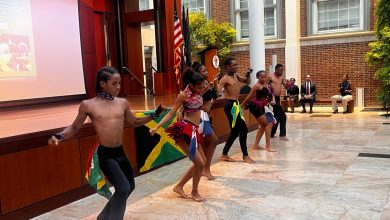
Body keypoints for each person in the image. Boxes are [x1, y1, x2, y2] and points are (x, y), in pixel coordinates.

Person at [48, 66, 164, 220]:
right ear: (102, 84)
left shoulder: (122, 103)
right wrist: (60, 135)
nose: (118, 87)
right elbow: (75, 126)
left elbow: (134, 121)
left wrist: (154, 114)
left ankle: (103, 217)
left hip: (120, 152)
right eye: (114, 83)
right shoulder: (88, 105)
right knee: (122, 188)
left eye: (119, 83)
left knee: (129, 186)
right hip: (106, 155)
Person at [149, 68, 207, 202]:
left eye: (202, 86)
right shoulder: (183, 95)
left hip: (195, 131)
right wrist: (157, 127)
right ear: (191, 85)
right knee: (200, 163)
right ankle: (194, 192)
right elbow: (171, 113)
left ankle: (179, 186)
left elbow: (199, 95)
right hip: (185, 131)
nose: (201, 89)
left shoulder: (198, 89)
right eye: (199, 87)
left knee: (201, 163)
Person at [217, 57, 255, 164]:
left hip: (236, 105)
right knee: (243, 129)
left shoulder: (236, 76)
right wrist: (216, 86)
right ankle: (245, 155)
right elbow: (217, 91)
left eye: (237, 65)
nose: (236, 67)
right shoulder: (224, 79)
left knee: (235, 132)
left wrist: (248, 75)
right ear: (228, 67)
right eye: (234, 65)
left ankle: (224, 154)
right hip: (230, 106)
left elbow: (247, 82)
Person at [192, 62, 218, 180]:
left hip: (206, 116)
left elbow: (214, 97)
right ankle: (204, 168)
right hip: (199, 115)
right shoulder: (196, 85)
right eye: (204, 71)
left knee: (208, 141)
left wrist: (215, 87)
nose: (206, 73)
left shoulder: (207, 83)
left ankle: (203, 168)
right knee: (213, 139)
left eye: (207, 71)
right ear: (197, 73)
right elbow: (193, 100)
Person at [241, 70, 277, 152]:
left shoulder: (266, 83)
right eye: (261, 77)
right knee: (269, 123)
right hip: (255, 107)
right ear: (258, 77)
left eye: (264, 77)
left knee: (264, 126)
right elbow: (249, 97)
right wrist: (241, 106)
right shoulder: (256, 86)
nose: (263, 79)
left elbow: (270, 93)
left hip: (262, 106)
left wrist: (272, 100)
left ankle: (255, 146)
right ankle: (268, 146)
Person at [270, 64, 288, 141]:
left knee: (277, 117)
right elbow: (267, 88)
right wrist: (271, 98)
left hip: (277, 98)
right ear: (276, 69)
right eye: (281, 70)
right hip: (272, 98)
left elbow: (286, 87)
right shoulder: (270, 77)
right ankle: (282, 135)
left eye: (283, 70)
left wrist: (288, 84)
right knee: (283, 116)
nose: (282, 72)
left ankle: (271, 133)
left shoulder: (281, 77)